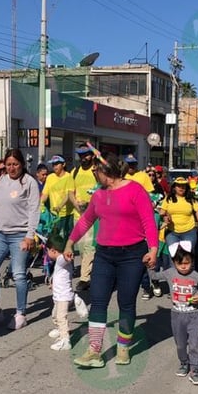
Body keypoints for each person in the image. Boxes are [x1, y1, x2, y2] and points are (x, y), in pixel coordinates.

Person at [64, 152, 158, 368]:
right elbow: (85, 221)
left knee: (126, 302)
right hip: (105, 254)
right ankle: (94, 351)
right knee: (98, 300)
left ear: (106, 171)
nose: (94, 173)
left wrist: (153, 249)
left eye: (96, 170)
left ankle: (123, 347)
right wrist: (70, 243)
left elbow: (148, 221)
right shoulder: (99, 195)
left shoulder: (135, 190)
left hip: (132, 255)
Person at [0, 148, 40, 330]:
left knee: (19, 275)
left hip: (20, 236)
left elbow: (34, 210)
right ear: (4, 165)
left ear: (22, 164)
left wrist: (30, 236)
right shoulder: (1, 181)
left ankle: (20, 313)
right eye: (8, 164)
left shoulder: (29, 183)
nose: (12, 168)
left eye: (15, 164)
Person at [150, 241, 198, 385]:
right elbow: (154, 276)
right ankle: (184, 363)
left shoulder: (196, 276)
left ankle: (194, 370)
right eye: (180, 263)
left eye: (187, 263)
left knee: (194, 344)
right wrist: (149, 265)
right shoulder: (169, 273)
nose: (183, 266)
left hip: (194, 314)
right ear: (174, 262)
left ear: (192, 262)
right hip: (177, 315)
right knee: (180, 344)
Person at [69, 145, 97, 291]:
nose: (83, 158)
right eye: (80, 155)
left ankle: (84, 278)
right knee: (81, 247)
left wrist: (89, 203)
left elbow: (103, 189)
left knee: (89, 246)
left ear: (92, 156)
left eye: (86, 155)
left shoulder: (96, 171)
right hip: (78, 215)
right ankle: (91, 272)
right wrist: (76, 204)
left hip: (94, 214)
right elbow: (70, 192)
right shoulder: (75, 172)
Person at [160, 177, 198, 255]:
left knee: (187, 256)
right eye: (179, 185)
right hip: (172, 233)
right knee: (174, 256)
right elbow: (162, 213)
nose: (181, 188)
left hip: (189, 232)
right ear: (174, 187)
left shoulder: (191, 199)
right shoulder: (168, 199)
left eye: (183, 186)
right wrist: (165, 217)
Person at [45, 232, 74, 351]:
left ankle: (65, 340)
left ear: (52, 250)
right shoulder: (58, 263)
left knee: (61, 317)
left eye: (47, 250)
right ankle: (59, 329)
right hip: (58, 296)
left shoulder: (61, 260)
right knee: (55, 314)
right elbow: (58, 275)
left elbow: (63, 258)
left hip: (63, 297)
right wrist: (53, 283)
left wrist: (66, 256)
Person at [40, 155, 76, 241]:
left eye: (57, 164)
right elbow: (45, 194)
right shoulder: (50, 177)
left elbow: (69, 195)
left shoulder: (69, 177)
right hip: (53, 215)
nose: (54, 166)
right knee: (54, 241)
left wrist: (60, 206)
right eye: (53, 164)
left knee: (66, 240)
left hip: (67, 215)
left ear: (63, 164)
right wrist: (39, 204)